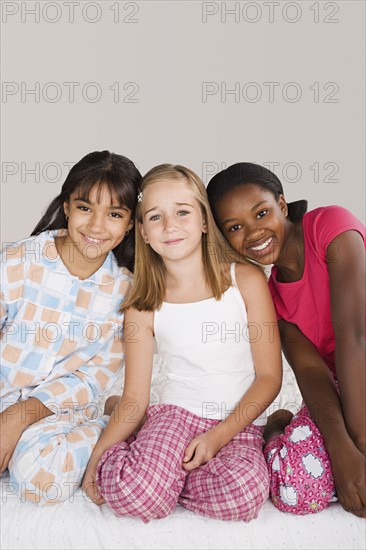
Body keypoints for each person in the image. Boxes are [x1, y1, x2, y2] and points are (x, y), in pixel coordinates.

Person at [82, 164, 282, 523]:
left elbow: (270, 377)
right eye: (155, 217)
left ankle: (165, 478)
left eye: (182, 212)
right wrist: (96, 457)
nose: (170, 226)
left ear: (205, 221)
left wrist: (217, 438)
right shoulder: (144, 305)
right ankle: (150, 464)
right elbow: (135, 398)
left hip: (236, 423)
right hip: (175, 415)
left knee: (243, 496)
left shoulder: (246, 280)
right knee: (135, 495)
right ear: (142, 232)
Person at [206, 162, 366, 518]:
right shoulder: (271, 295)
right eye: (234, 227)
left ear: (282, 204)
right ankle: (276, 430)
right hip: (344, 387)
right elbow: (311, 371)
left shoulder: (331, 228)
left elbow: (354, 336)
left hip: (360, 365)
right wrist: (341, 451)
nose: (253, 232)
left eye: (261, 212)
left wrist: (361, 444)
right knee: (298, 494)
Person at [0, 150, 142, 506]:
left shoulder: (126, 292)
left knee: (42, 481)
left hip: (56, 411)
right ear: (66, 206)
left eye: (114, 214)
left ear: (129, 223)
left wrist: (21, 415)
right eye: (85, 208)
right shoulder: (18, 261)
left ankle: (107, 422)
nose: (96, 226)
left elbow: (93, 376)